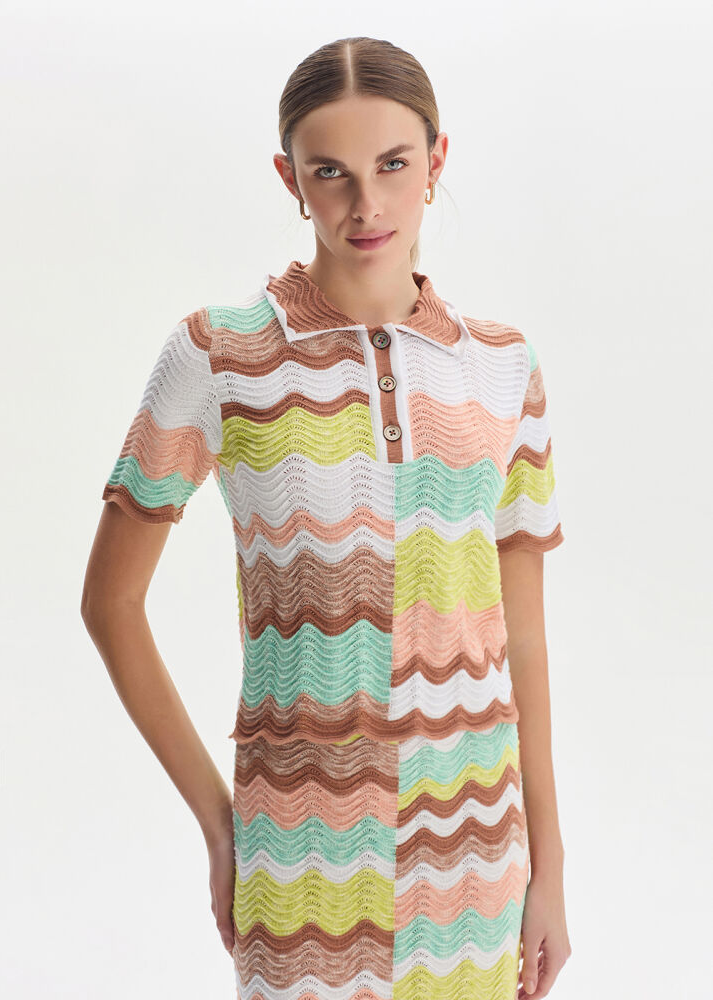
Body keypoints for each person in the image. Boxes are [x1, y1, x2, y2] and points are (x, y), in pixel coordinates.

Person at [82, 35, 571, 1000]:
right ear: (290, 179)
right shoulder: (219, 356)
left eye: (392, 164)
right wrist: (221, 825)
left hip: (475, 862)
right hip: (298, 857)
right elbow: (110, 604)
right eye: (331, 172)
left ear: (436, 161)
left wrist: (548, 866)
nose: (366, 205)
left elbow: (524, 638)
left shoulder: (503, 367)